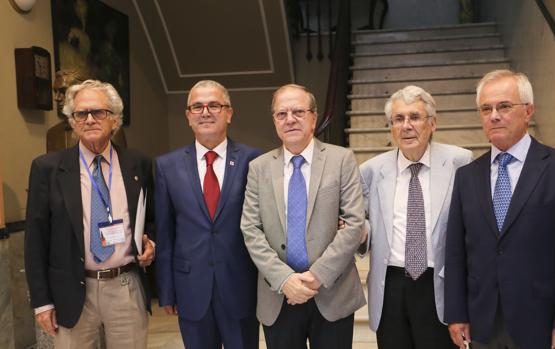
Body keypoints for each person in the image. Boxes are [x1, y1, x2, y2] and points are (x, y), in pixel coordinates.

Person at [444, 70, 555, 349]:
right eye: (486, 108)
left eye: (504, 106)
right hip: (482, 321)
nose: (494, 115)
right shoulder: (467, 176)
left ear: (528, 111)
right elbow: (455, 253)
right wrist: (456, 313)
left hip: (541, 322)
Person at [25, 79, 155, 348]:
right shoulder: (47, 169)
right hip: (71, 291)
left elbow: (151, 218)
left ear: (115, 119)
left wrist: (150, 241)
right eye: (81, 113)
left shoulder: (138, 164)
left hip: (125, 287)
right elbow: (35, 240)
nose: (89, 119)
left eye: (99, 112)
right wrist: (41, 302)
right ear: (72, 121)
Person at [241, 84, 366, 348]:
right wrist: (285, 279)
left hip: (332, 292)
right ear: (274, 120)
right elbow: (251, 229)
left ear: (313, 117)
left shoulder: (342, 159)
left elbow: (354, 223)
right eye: (281, 113)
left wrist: (317, 275)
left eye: (298, 111)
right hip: (279, 295)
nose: (290, 119)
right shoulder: (258, 168)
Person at [359, 85, 471, 348]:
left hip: (438, 283)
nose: (406, 126)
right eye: (398, 119)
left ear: (432, 123)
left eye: (414, 117)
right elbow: (361, 223)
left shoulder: (460, 162)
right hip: (391, 284)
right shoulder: (371, 170)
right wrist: (359, 231)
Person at [155, 80, 262, 349]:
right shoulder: (166, 166)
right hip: (191, 288)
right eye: (197, 106)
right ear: (188, 116)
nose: (206, 112)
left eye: (214, 105)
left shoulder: (254, 160)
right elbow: (165, 233)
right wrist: (166, 291)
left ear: (229, 113)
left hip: (241, 286)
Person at [47, 69, 127, 153]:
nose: (56, 98)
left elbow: (122, 162)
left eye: (63, 91)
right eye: (55, 92)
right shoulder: (53, 133)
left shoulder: (109, 128)